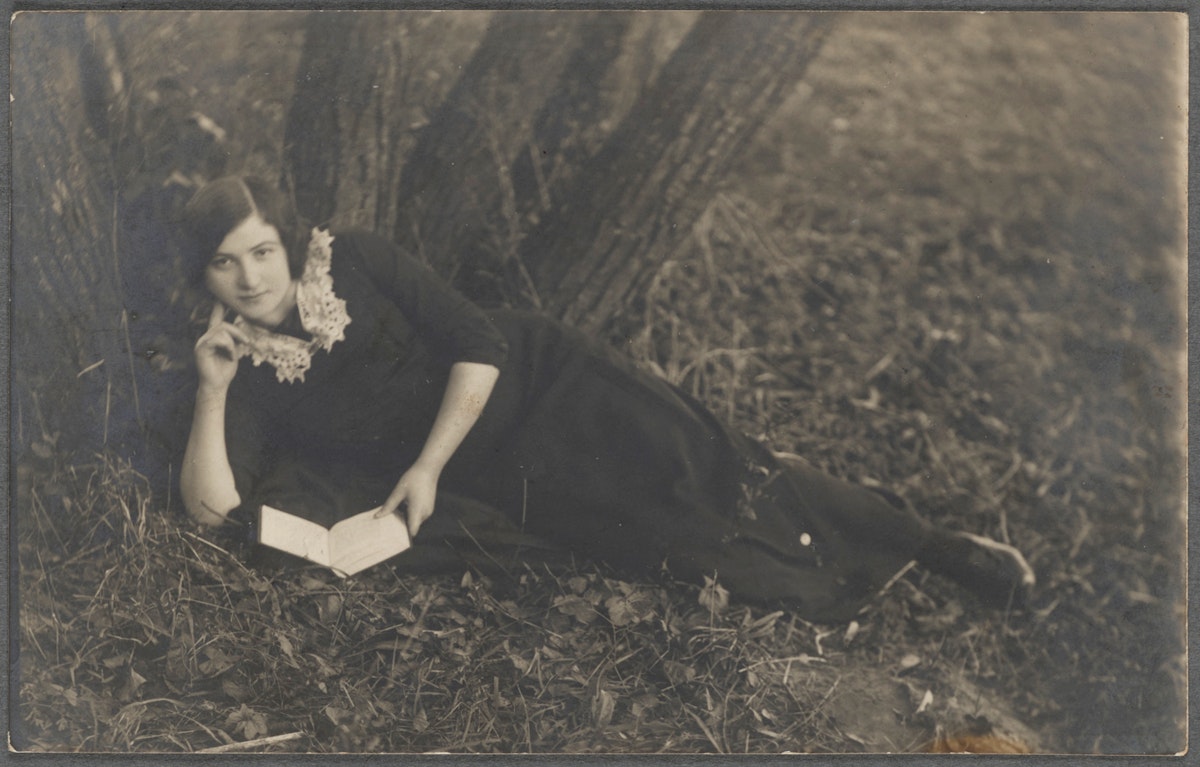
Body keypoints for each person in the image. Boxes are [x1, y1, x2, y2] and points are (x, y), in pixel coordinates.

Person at [177, 176, 1034, 624]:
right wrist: (212, 391)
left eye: (260, 250)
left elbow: (481, 342)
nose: (251, 277)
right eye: (226, 262)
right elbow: (215, 511)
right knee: (678, 539)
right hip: (505, 468)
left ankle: (932, 544)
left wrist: (424, 465)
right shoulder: (244, 371)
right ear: (205, 275)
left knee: (709, 459)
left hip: (541, 382)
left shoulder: (355, 257)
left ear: (286, 241)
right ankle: (829, 569)